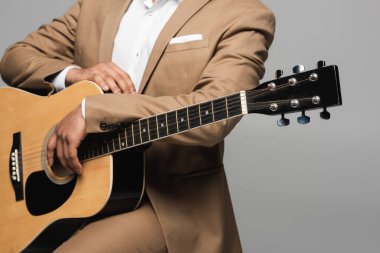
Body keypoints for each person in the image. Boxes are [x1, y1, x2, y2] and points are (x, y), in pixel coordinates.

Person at [0, 0, 275, 252]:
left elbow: (216, 115)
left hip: (166, 201)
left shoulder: (243, 13)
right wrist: (74, 74)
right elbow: (16, 57)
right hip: (76, 189)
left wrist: (91, 111)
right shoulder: (98, 4)